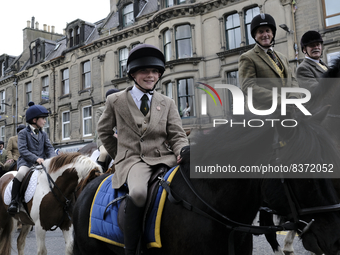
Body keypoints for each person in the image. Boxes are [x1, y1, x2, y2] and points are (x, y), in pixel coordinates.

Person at [97, 44, 189, 255]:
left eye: (155, 71)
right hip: (134, 161)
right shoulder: (115, 100)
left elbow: (176, 134)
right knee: (138, 193)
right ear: (133, 74)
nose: (151, 75)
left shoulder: (167, 102)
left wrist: (182, 150)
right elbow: (103, 131)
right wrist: (120, 156)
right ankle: (132, 248)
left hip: (164, 158)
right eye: (145, 71)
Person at [238, 13, 300, 110]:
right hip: (263, 112)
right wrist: (281, 100)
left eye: (268, 31)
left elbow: (293, 80)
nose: (265, 35)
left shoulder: (282, 57)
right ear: (255, 36)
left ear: (272, 34)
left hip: (288, 108)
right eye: (260, 32)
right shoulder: (247, 57)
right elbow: (248, 86)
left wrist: (293, 97)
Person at [7, 102, 56, 215]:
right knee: (20, 174)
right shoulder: (23, 133)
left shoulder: (43, 134)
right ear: (34, 120)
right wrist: (36, 159)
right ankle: (14, 201)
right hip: (27, 162)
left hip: (42, 162)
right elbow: (23, 150)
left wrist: (54, 159)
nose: (45, 121)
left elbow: (49, 148)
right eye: (43, 119)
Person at [94, 88, 119, 169]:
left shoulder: (122, 110)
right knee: (104, 153)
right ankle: (99, 172)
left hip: (121, 137)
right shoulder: (100, 110)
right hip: (105, 137)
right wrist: (114, 134)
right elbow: (101, 126)